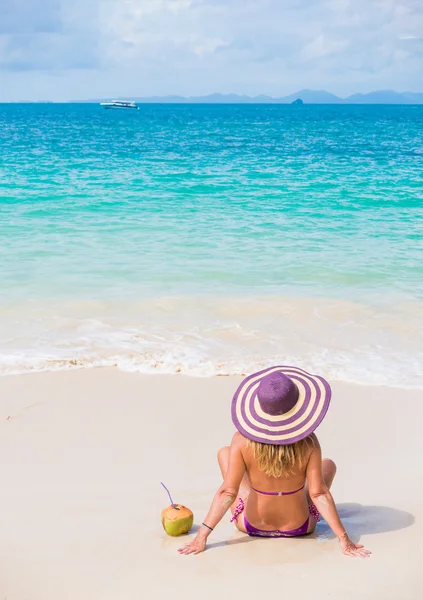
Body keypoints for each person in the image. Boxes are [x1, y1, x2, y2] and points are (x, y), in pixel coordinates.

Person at [178, 366, 371, 558]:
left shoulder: (241, 440)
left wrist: (201, 536)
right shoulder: (309, 442)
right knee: (327, 465)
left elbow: (228, 492)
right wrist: (344, 539)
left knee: (225, 454)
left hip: (251, 526)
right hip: (300, 527)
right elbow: (319, 493)